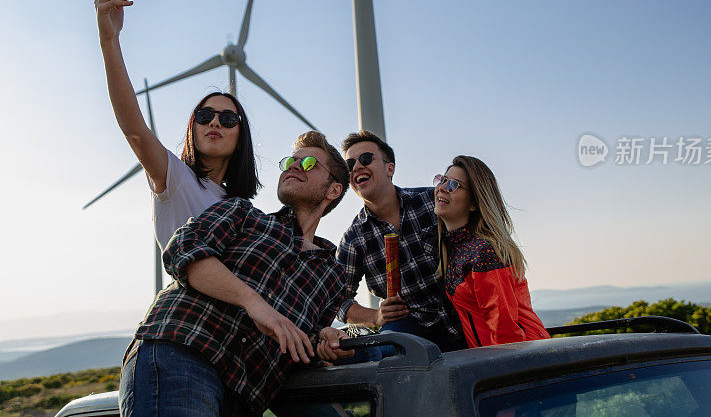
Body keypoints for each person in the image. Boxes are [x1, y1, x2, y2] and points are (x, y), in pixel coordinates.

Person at [119, 132, 354, 416]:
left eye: (307, 164)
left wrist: (323, 343)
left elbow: (299, 347)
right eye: (290, 162)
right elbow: (182, 247)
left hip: (243, 397)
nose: (293, 166)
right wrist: (253, 302)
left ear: (333, 190)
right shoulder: (242, 213)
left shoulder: (334, 276)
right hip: (183, 350)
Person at [94, 0, 260, 250]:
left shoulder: (242, 209)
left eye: (228, 119)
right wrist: (109, 40)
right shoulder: (176, 179)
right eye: (204, 116)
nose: (215, 121)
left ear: (242, 137)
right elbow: (134, 129)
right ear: (191, 129)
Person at [336, 131, 465, 352]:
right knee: (385, 351)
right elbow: (336, 300)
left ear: (390, 168)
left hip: (463, 315)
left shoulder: (432, 201)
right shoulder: (353, 238)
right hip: (409, 331)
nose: (356, 166)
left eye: (366, 159)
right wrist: (376, 316)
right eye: (350, 164)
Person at [434, 155, 550, 348]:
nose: (442, 188)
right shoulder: (455, 248)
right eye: (442, 180)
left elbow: (505, 330)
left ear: (474, 203)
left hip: (524, 356)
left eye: (454, 185)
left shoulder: (485, 252)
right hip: (496, 358)